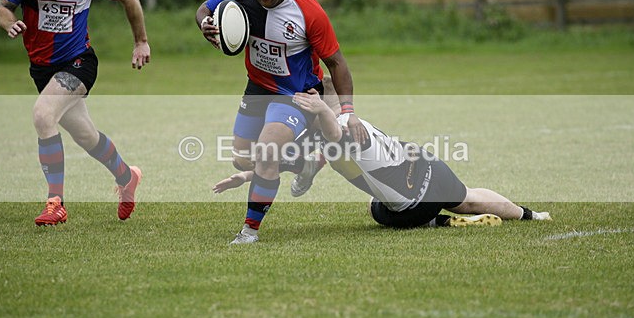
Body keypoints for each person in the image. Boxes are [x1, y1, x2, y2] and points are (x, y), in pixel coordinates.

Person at [213, 82, 551, 235]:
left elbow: (331, 136)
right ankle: (531, 215)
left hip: (412, 206)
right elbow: (299, 157)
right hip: (431, 167)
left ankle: (439, 222)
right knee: (469, 197)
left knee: (376, 209)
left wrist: (318, 110)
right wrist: (246, 176)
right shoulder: (351, 121)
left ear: (318, 105)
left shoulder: (339, 128)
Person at [196, 0, 368, 244]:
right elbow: (204, 10)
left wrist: (349, 112)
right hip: (257, 88)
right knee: (241, 159)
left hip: (295, 95)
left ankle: (249, 231)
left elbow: (337, 63)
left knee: (266, 153)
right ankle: (305, 163)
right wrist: (205, 25)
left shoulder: (308, 12)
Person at [0, 0, 150, 225]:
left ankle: (56, 203)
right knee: (86, 136)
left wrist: (140, 41)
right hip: (42, 68)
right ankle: (127, 177)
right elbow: (3, 8)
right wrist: (8, 22)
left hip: (79, 61)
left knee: (42, 115)